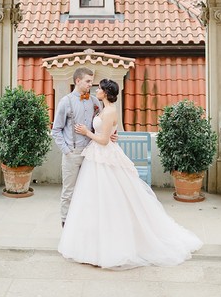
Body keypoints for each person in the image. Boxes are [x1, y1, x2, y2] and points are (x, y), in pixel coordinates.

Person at [58, 78, 203, 269]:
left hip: (103, 154)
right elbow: (107, 133)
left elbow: (103, 141)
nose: (97, 90)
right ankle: (92, 239)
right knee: (93, 199)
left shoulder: (109, 111)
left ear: (107, 93)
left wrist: (86, 132)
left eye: (100, 89)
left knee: (110, 198)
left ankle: (111, 242)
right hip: (96, 157)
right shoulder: (102, 108)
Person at [51, 67, 103, 227]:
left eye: (91, 81)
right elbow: (56, 130)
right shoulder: (65, 102)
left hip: (91, 154)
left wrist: (110, 135)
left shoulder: (95, 101)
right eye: (88, 81)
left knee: (89, 190)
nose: (90, 84)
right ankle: (66, 224)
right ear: (77, 81)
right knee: (69, 191)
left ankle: (84, 223)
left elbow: (101, 124)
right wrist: (67, 151)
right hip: (72, 154)